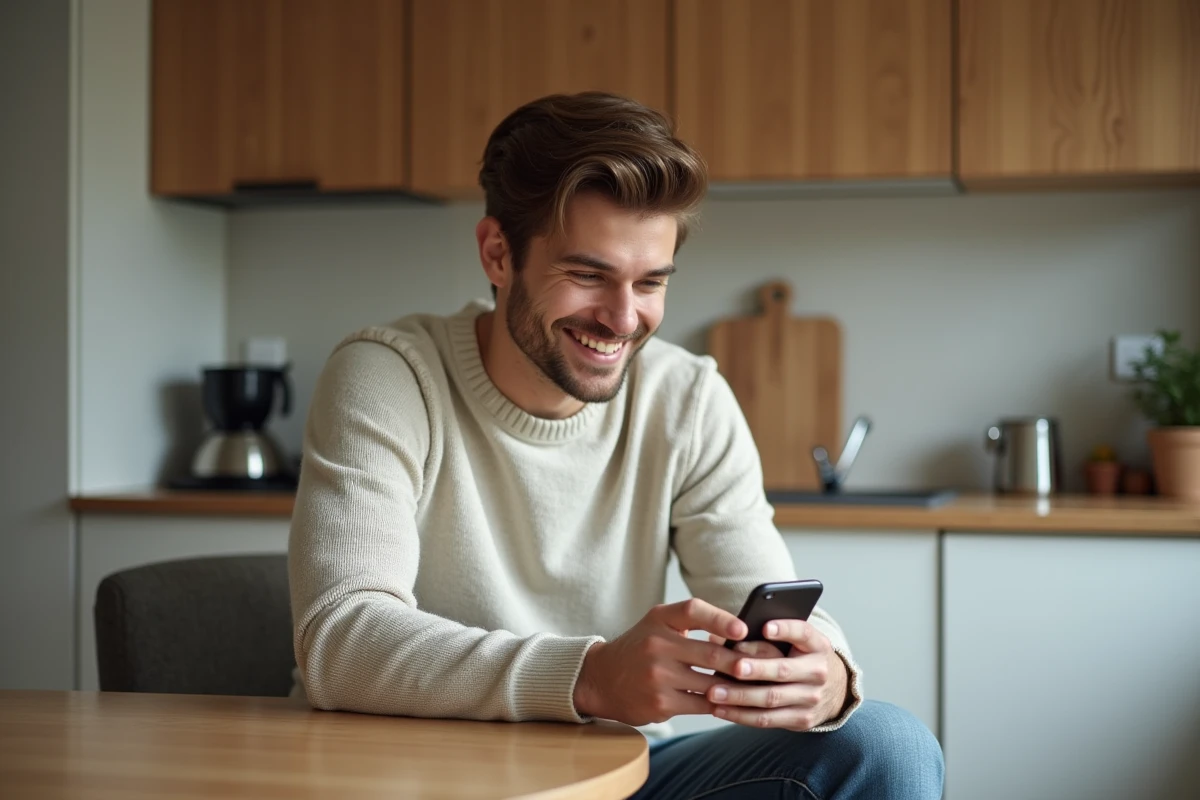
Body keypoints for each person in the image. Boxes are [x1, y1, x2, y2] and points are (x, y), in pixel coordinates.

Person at [288, 91, 943, 799]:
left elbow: (761, 602)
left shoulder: (686, 399)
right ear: (498, 253)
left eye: (651, 282)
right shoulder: (389, 377)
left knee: (887, 745)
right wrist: (591, 677)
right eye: (588, 275)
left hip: (614, 779)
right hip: (415, 776)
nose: (624, 319)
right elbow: (341, 640)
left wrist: (826, 675)